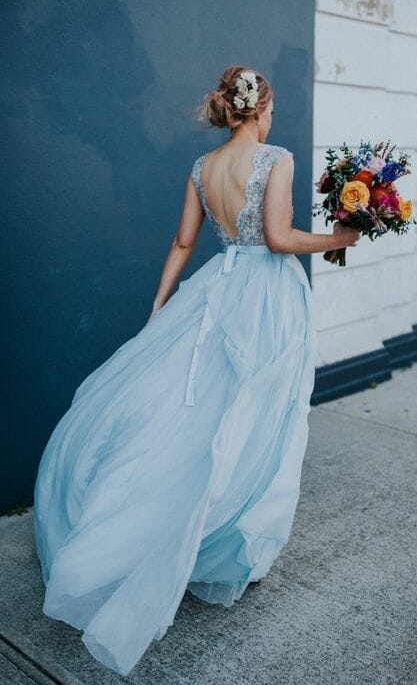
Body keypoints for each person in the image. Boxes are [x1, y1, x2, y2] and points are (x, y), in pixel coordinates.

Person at [33, 64, 360, 677]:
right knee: (254, 410)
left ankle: (162, 519)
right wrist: (340, 237)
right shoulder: (276, 157)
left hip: (215, 288)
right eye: (272, 108)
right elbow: (281, 237)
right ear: (259, 110)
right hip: (265, 294)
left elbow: (184, 243)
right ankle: (221, 533)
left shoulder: (201, 168)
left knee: (195, 409)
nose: (273, 118)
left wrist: (160, 308)